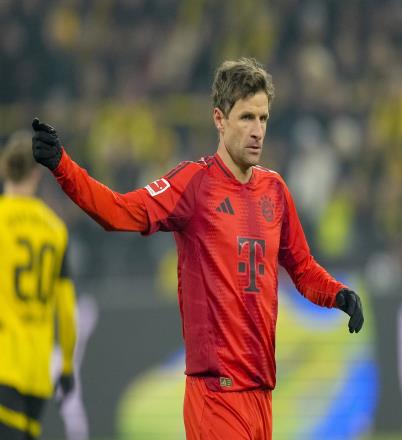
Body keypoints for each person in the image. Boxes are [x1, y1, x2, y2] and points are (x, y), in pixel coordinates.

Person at [32, 57, 364, 440]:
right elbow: (119, 212)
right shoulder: (193, 184)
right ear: (219, 119)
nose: (257, 130)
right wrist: (63, 166)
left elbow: (302, 267)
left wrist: (337, 294)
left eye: (263, 118)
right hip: (216, 393)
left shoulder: (274, 190)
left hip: (261, 393)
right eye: (246, 118)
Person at [0, 131, 77, 440]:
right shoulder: (55, 230)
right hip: (37, 373)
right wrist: (67, 366)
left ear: (5, 168)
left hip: (4, 364)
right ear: (36, 173)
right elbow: (67, 309)